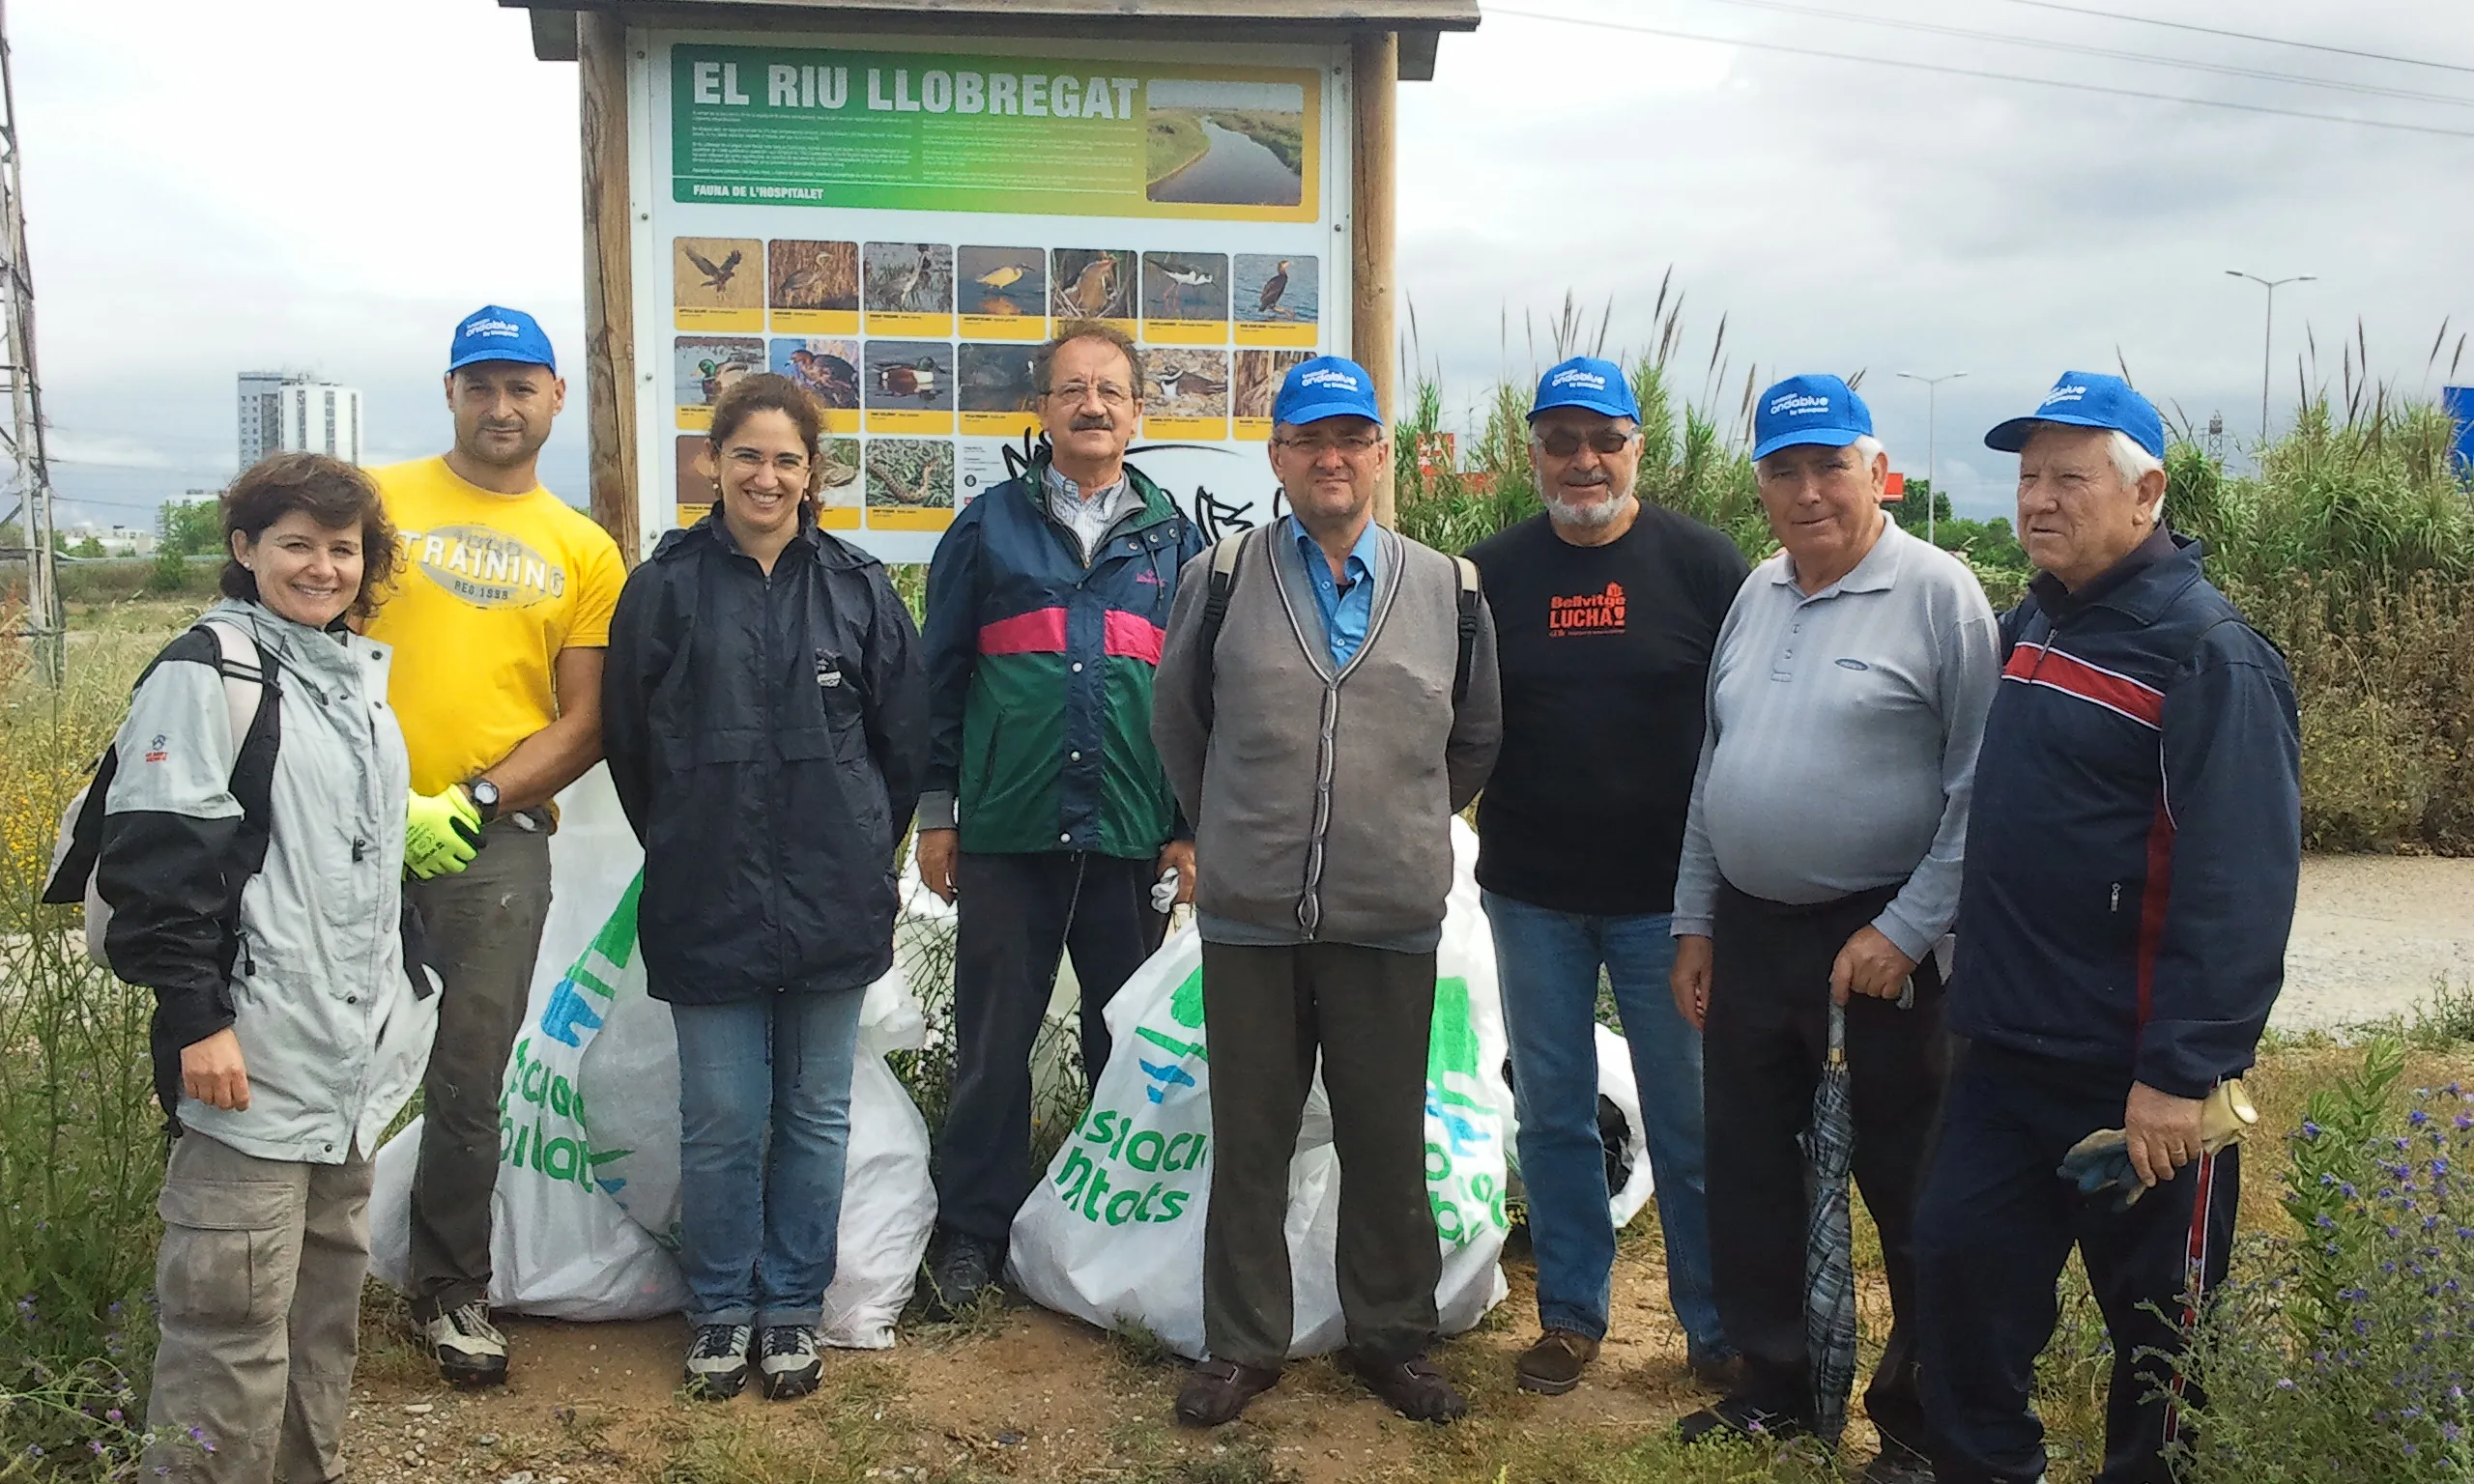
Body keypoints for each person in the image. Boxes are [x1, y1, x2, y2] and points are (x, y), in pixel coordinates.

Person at [1916, 374, 2300, 1484]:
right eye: (2027, 475)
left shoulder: (2207, 654)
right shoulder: (2039, 619)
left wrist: (2181, 1072)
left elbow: (2239, 886)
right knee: (1959, 1286)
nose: (2037, 499)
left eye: (2067, 477)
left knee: (2159, 1353)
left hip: (2135, 1085)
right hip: (2002, 1059)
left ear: (2147, 494)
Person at [1152, 355, 1503, 1428]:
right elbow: (1177, 722)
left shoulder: (1450, 587)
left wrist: (1389, 824)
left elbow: (1476, 737)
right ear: (1279, 459)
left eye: (1351, 438)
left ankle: (1392, 1337)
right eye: (1309, 440)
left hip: (1389, 915)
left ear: (1380, 456)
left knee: (1386, 1135)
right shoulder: (1220, 576)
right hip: (1251, 914)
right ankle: (1242, 1342)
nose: (1331, 458)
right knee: (1251, 1134)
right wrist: (1233, 830)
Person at [1670, 374, 1999, 1479]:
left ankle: (1914, 1424)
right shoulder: (1758, 590)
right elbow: (1716, 768)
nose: (1807, 491)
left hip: (1879, 945)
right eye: (1783, 469)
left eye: (1829, 466)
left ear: (1876, 472)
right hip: (1753, 935)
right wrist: (1695, 920)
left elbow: (1978, 790)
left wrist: (1907, 929)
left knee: (1908, 1186)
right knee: (1752, 1168)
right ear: (1759, 482)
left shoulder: (1937, 593)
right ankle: (1776, 1389)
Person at [604, 372, 929, 1402]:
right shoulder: (663, 587)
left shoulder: (859, 586)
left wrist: (864, 840)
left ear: (812, 473)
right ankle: (718, 1311)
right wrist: (690, 834)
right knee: (723, 1113)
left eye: (788, 458)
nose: (767, 474)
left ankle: (790, 1307)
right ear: (713, 463)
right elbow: (628, 746)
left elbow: (903, 743)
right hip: (707, 891)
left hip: (835, 891)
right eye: (747, 454)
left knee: (815, 1112)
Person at [113, 455, 429, 1482]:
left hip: (339, 1072)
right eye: (296, 543)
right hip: (245, 1060)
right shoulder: (208, 670)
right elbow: (163, 863)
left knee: (317, 1327)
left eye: (344, 548)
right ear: (246, 551)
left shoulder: (350, 680)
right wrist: (197, 1020)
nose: (323, 567)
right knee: (229, 1330)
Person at [1466, 357, 1748, 1396]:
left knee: (1688, 1116)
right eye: (1560, 442)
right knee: (1551, 1110)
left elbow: (1743, 719)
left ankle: (1713, 1327)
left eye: (1604, 442)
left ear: (1638, 448)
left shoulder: (1704, 566)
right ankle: (1572, 1315)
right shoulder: (1487, 571)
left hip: (1666, 904)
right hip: (1530, 891)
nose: (1583, 461)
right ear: (1531, 453)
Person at [364, 305, 628, 1385]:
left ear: (556, 398)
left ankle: (449, 1292)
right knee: (312, 1056)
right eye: (481, 384)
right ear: (450, 392)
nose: (501, 404)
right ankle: (296, 1283)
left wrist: (470, 799)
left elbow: (585, 720)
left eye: (522, 385)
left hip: (490, 842)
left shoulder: (583, 549)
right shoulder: (374, 501)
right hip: (344, 826)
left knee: (469, 1072)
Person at [916, 321, 1203, 1309]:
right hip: (1006, 828)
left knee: (1124, 1041)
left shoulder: (1177, 540)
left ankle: (1112, 1227)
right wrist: (937, 813)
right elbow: (940, 678)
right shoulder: (986, 527)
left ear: (1136, 411)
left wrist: (1189, 827)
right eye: (1071, 388)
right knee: (994, 1044)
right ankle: (971, 1235)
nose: (1091, 405)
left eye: (1109, 390)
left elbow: (1200, 696)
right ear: (1039, 411)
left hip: (1130, 833)